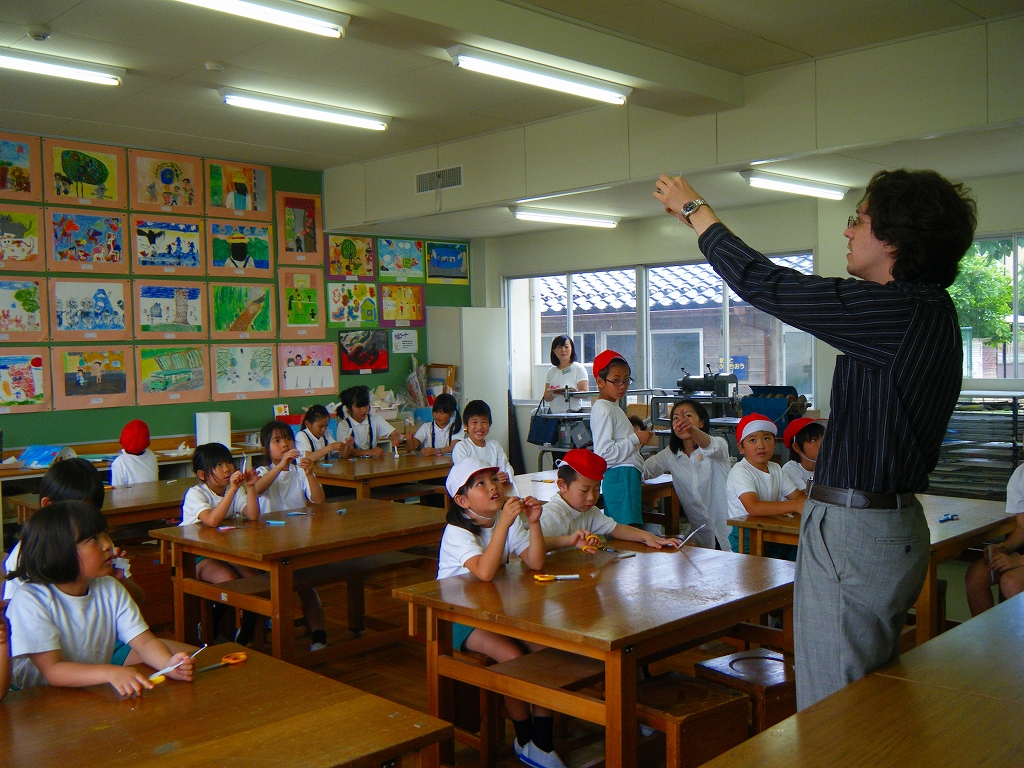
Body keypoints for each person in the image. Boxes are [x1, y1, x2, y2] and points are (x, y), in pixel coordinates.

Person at [654, 168, 976, 708]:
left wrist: (696, 211)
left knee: (834, 704)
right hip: (882, 525)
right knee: (863, 698)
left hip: (857, 529)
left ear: (894, 239)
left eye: (859, 220)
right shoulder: (931, 312)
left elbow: (769, 285)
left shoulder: (897, 313)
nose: (848, 231)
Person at [438, 459, 563, 768]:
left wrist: (534, 522)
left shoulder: (502, 521)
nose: (493, 487)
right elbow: (484, 572)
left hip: (496, 611)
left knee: (545, 652)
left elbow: (535, 562)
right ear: (462, 501)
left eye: (492, 479)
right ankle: (523, 737)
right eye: (480, 484)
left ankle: (542, 740)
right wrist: (505, 524)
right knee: (512, 656)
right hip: (456, 617)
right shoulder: (457, 532)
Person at [5, 500, 195, 694]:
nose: (107, 545)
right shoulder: (31, 599)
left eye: (105, 534)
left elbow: (144, 642)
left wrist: (169, 664)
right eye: (92, 539)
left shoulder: (110, 588)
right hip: (36, 699)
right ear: (60, 551)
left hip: (87, 691)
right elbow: (53, 670)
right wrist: (111, 672)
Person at [253, 420, 329, 651]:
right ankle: (267, 629)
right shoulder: (262, 472)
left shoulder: (299, 472)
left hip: (297, 538)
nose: (284, 444)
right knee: (270, 588)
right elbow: (257, 489)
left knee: (307, 586)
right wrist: (280, 466)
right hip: (268, 541)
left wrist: (310, 473)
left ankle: (319, 635)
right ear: (266, 450)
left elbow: (318, 499)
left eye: (287, 439)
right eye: (277, 441)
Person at [180, 443, 266, 644]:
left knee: (254, 580)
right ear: (202, 474)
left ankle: (244, 636)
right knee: (229, 580)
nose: (227, 469)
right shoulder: (196, 494)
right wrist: (233, 490)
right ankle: (209, 627)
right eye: (218, 465)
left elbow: (252, 515)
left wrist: (250, 487)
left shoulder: (233, 490)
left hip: (227, 551)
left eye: (228, 462)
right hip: (197, 555)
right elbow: (212, 520)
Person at [539, 449, 679, 551]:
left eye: (596, 489)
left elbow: (616, 529)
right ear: (562, 485)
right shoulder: (552, 515)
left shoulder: (589, 512)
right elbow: (530, 546)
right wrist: (568, 541)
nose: (592, 497)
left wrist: (648, 537)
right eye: (584, 490)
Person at [643, 400, 732, 550]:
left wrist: (692, 430)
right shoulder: (670, 454)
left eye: (688, 416)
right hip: (702, 537)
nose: (681, 422)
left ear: (701, 423)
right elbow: (644, 471)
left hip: (729, 530)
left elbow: (711, 447)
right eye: (676, 418)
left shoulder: (719, 445)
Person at [726, 414, 806, 557]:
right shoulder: (740, 471)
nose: (761, 445)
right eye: (752, 440)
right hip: (746, 534)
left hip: (771, 529)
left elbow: (797, 496)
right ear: (741, 448)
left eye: (767, 438)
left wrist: (807, 504)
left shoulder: (775, 468)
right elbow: (753, 507)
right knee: (757, 570)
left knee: (799, 555)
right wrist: (795, 505)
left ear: (775, 444)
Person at [589, 350, 651, 526]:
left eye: (626, 380)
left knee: (627, 529)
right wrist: (635, 439)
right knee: (627, 530)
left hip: (625, 474)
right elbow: (604, 454)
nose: (622, 386)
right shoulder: (604, 409)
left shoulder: (611, 406)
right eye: (616, 380)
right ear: (600, 382)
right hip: (621, 474)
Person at [965, 463, 1024, 616]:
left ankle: (1015, 631)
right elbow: (1022, 527)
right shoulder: (1020, 474)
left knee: (1012, 582)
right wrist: (1005, 547)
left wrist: (1018, 561)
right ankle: (988, 631)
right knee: (976, 576)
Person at [451, 400, 517, 492]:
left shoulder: (495, 446)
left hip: (497, 490)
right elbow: (466, 475)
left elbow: (506, 468)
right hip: (474, 494)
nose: (480, 427)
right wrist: (493, 479)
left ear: (489, 424)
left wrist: (505, 476)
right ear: (466, 425)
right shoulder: (461, 447)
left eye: (484, 422)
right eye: (474, 422)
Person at [336, 385, 402, 458]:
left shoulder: (375, 419)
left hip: (370, 462)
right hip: (349, 464)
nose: (364, 410)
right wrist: (368, 452)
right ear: (348, 408)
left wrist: (396, 437)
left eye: (366, 405)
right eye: (359, 407)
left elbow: (395, 433)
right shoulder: (343, 425)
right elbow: (344, 453)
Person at [543, 335, 589, 415]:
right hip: (554, 415)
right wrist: (554, 393)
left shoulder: (578, 368)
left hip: (572, 415)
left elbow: (585, 394)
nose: (563, 350)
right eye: (559, 347)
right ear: (554, 350)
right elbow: (546, 397)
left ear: (572, 349)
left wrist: (571, 393)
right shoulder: (551, 371)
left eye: (566, 347)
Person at [109, 419, 158, 487]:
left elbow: (117, 490)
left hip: (130, 494)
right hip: (153, 494)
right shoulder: (151, 455)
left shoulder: (120, 462)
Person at [781, 418, 824, 492]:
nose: (822, 444)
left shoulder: (826, 467)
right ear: (796, 447)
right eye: (814, 440)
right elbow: (806, 496)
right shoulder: (790, 470)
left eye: (824, 439)